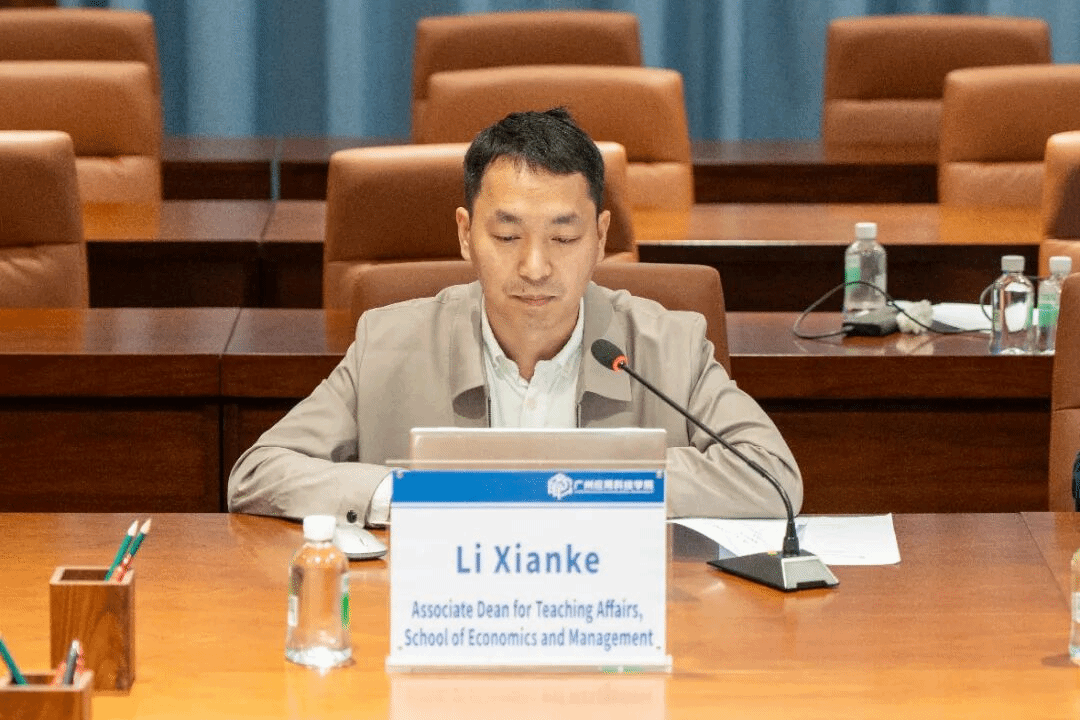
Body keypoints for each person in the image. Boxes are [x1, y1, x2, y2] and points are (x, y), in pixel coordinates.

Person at [228, 108, 801, 526]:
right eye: (506, 236)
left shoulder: (670, 344)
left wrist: (598, 484)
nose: (535, 267)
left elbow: (773, 476)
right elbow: (258, 472)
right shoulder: (389, 343)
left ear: (601, 237)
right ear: (465, 234)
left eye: (564, 237)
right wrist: (404, 495)